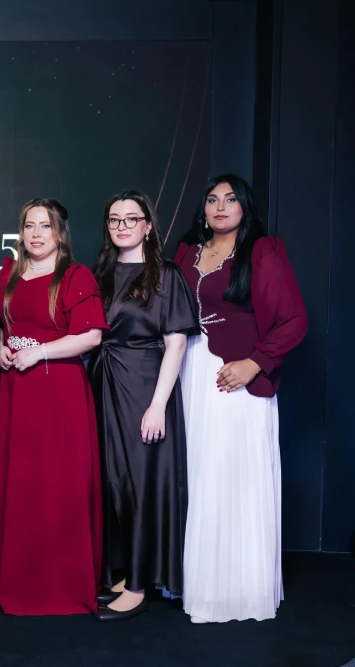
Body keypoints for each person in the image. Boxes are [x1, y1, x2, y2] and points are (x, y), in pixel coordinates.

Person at [174, 174, 307, 623]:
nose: (220, 206)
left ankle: (237, 590)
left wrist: (256, 362)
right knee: (197, 474)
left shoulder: (262, 251)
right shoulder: (187, 251)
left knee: (232, 475)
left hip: (237, 376)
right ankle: (196, 582)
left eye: (230, 199)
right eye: (212, 199)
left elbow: (294, 320)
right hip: (190, 372)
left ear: (244, 207)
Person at [0, 198, 108, 616]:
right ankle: (19, 580)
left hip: (59, 394)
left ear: (60, 233)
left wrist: (39, 352)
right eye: (29, 226)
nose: (36, 234)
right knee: (22, 485)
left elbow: (91, 336)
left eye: (45, 226)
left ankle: (61, 584)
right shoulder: (7, 275)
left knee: (58, 485)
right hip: (16, 391)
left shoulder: (74, 276)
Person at [88, 190, 198, 622]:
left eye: (131, 219)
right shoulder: (100, 272)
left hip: (144, 385)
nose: (122, 226)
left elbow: (176, 345)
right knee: (112, 482)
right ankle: (124, 574)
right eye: (114, 220)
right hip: (104, 382)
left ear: (148, 226)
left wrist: (157, 406)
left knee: (139, 484)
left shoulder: (166, 274)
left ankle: (137, 587)